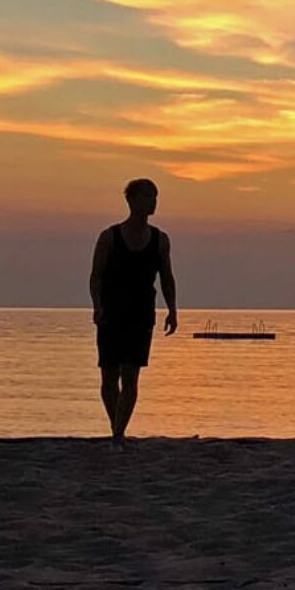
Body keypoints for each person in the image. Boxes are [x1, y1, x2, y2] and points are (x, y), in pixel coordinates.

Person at [89, 178, 179, 446]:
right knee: (109, 375)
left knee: (131, 375)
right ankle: (117, 430)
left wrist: (172, 310)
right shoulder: (109, 237)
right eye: (147, 196)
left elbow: (167, 278)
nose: (153, 202)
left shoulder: (160, 240)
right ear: (132, 200)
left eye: (155, 196)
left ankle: (118, 434)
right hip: (111, 312)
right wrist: (97, 305)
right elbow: (96, 276)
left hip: (141, 314)